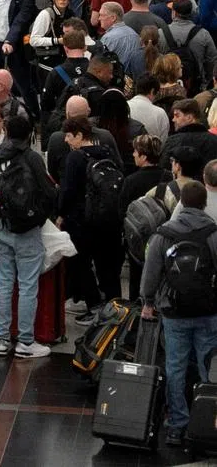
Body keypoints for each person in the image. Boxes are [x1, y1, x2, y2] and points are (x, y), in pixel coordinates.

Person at [140, 179, 217, 447]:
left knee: (175, 366)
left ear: (181, 202)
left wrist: (148, 302)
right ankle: (204, 421)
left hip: (174, 311)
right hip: (208, 310)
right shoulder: (213, 233)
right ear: (204, 203)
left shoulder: (164, 233)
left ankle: (177, 425)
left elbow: (151, 274)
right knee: (205, 365)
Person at [0, 113, 57, 358]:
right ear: (30, 134)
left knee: (3, 284)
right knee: (28, 286)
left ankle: (1, 340)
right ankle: (25, 341)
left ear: (7, 132)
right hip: (28, 229)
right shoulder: (31, 157)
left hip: (0, 227)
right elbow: (48, 191)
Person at [59, 116, 124, 320]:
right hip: (108, 220)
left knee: (80, 264)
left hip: (81, 222)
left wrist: (60, 215)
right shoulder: (108, 153)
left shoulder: (75, 158)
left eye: (69, 136)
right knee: (107, 266)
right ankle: (117, 309)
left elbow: (68, 191)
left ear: (79, 135)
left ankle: (94, 306)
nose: (66, 140)